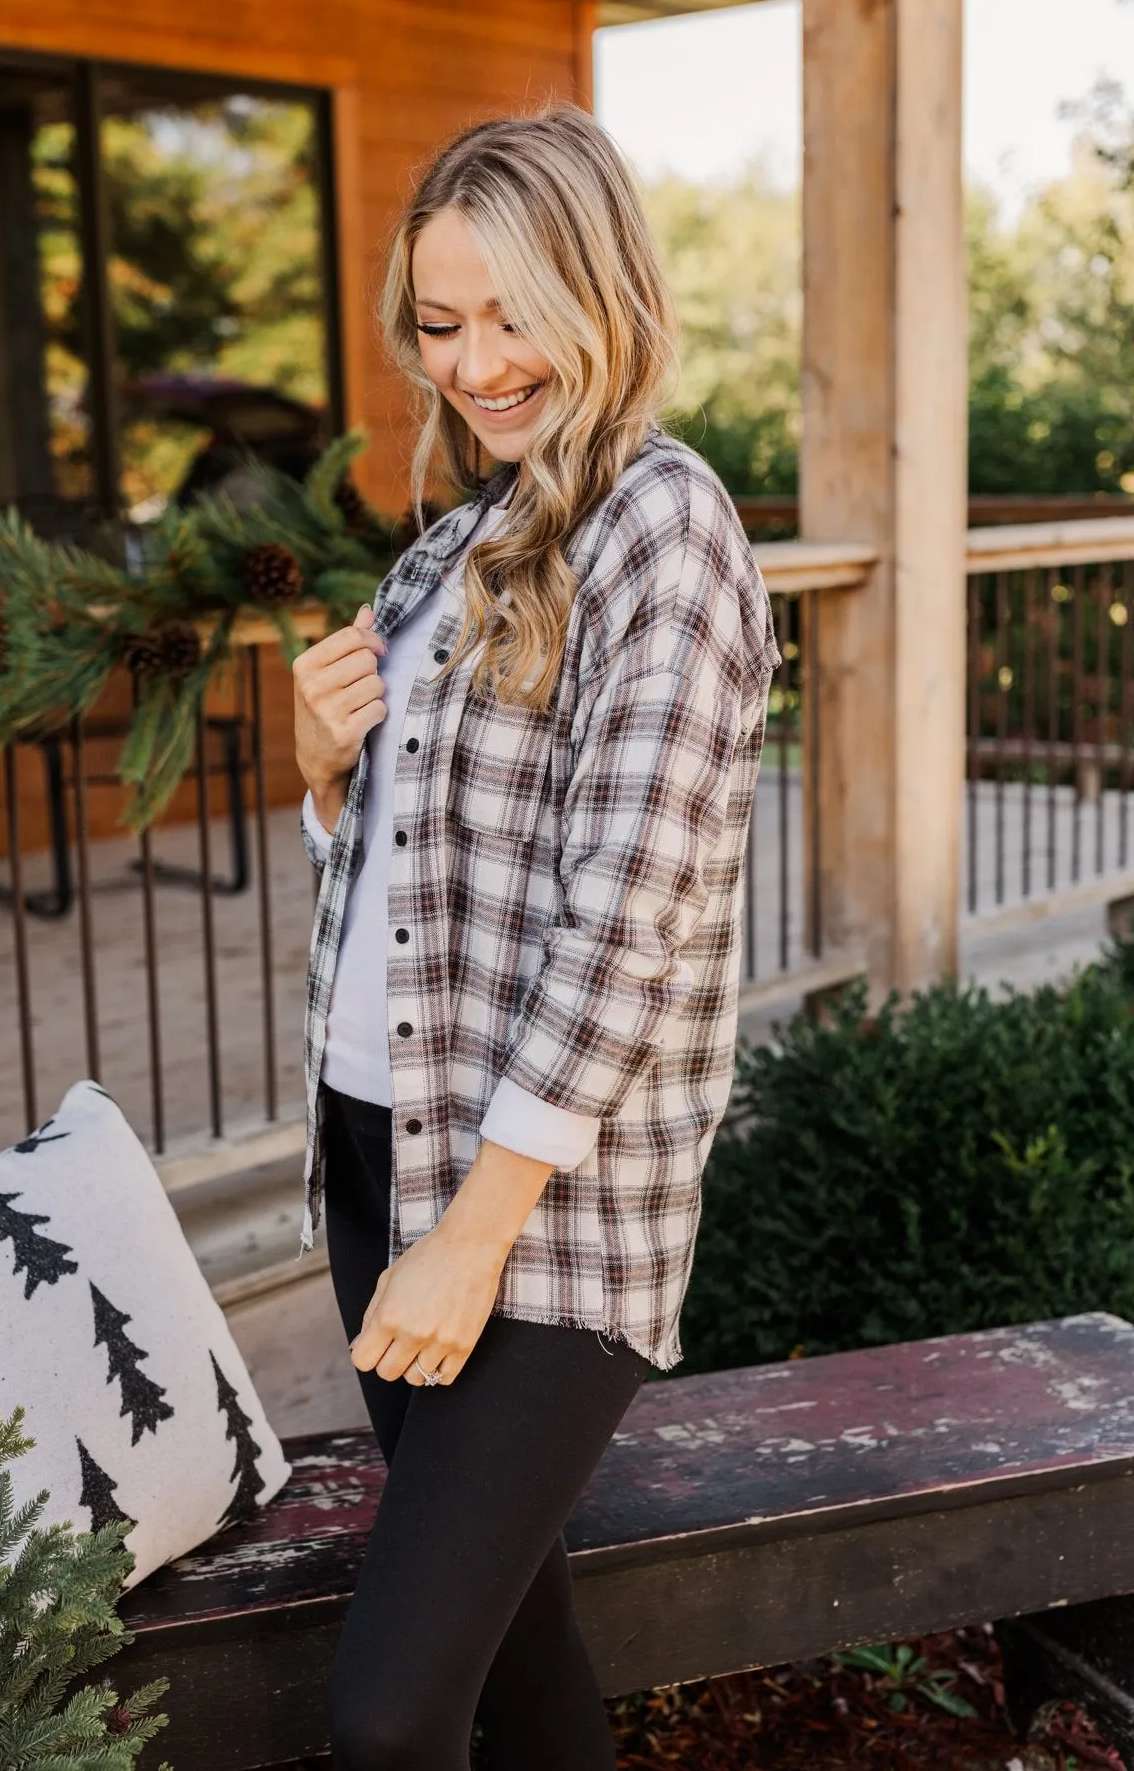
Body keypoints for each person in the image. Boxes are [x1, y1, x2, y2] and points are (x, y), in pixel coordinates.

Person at [291, 104, 779, 1771]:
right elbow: (415, 886)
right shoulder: (455, 549)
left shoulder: (666, 529)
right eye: (440, 324)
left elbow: (630, 918)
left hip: (533, 1214)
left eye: (512, 315)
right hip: (380, 1151)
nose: (475, 364)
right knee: (518, 1649)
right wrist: (320, 776)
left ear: (602, 292)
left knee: (389, 1711)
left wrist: (475, 1239)